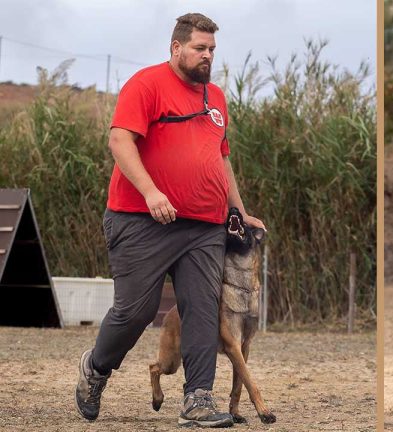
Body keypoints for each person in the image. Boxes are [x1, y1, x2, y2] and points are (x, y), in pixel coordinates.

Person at [75, 13, 265, 428]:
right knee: (135, 312)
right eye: (200, 48)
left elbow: (220, 157)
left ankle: (197, 399)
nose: (207, 56)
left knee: (201, 309)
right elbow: (119, 140)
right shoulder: (146, 84)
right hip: (141, 219)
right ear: (176, 48)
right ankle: (96, 368)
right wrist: (151, 191)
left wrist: (239, 208)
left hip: (204, 226)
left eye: (212, 49)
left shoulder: (216, 97)